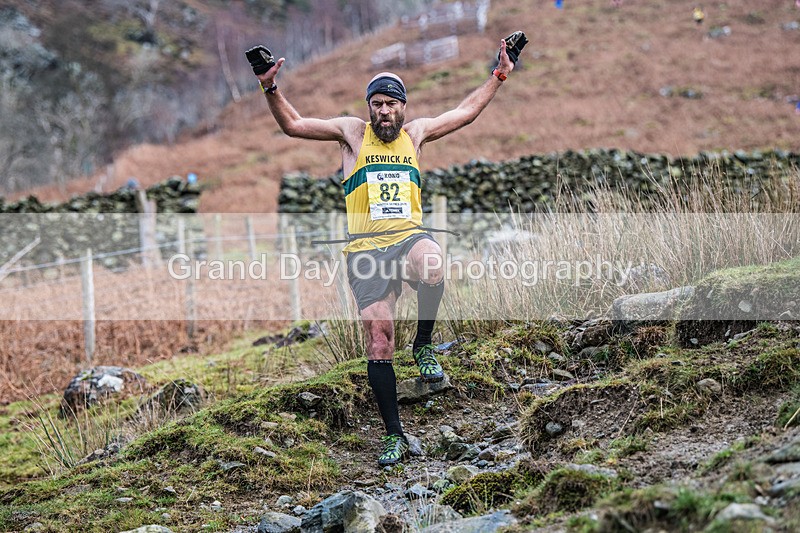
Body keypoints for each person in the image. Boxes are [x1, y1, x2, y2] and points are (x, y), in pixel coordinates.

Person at [253, 37, 518, 466]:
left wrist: (500, 73)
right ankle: (394, 435)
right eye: (376, 104)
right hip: (366, 252)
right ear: (369, 106)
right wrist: (270, 86)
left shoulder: (416, 135)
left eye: (391, 104)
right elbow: (294, 125)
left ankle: (425, 345)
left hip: (408, 236)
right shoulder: (351, 134)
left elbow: (465, 112)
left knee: (433, 263)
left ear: (403, 107)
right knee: (378, 342)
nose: (384, 111)